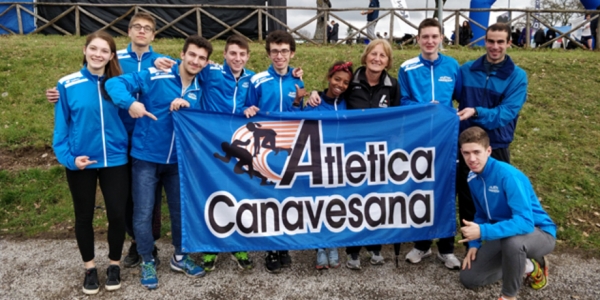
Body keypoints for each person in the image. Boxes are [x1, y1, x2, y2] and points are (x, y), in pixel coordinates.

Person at [45, 12, 167, 269]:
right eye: (137, 27)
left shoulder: (163, 62)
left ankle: (146, 243)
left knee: (147, 198)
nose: (142, 31)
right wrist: (60, 94)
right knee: (125, 202)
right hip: (117, 139)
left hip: (147, 140)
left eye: (148, 28)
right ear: (129, 31)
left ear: (154, 34)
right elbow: (84, 93)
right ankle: (135, 242)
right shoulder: (115, 59)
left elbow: (189, 75)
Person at [106, 35, 213, 289]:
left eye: (202, 58)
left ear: (206, 62)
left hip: (178, 162)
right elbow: (114, 84)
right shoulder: (156, 75)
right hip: (146, 157)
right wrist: (130, 103)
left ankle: (180, 256)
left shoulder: (200, 87)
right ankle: (147, 259)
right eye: (192, 55)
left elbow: (204, 119)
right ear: (183, 54)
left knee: (180, 212)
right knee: (143, 213)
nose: (196, 61)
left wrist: (188, 106)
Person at [307, 39, 399, 269]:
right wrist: (310, 93)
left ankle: (374, 245)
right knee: (352, 199)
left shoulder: (393, 85)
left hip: (379, 153)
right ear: (365, 56)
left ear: (388, 61)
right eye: (373, 53)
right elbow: (331, 97)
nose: (377, 58)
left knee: (375, 198)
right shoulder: (352, 82)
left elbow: (399, 115)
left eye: (383, 55)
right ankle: (352, 250)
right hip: (350, 153)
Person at [53, 30, 129, 295]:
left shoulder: (118, 83)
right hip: (81, 162)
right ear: (85, 50)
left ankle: (114, 265)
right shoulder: (66, 84)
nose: (98, 54)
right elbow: (61, 130)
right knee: (83, 216)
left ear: (111, 56)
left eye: (104, 51)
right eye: (94, 49)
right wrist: (70, 160)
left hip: (116, 160)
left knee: (118, 215)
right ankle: (89, 268)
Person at [457, 126, 556, 300]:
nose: (471, 159)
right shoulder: (472, 178)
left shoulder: (508, 176)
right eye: (466, 153)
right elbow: (480, 214)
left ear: (488, 151)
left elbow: (525, 222)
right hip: (505, 234)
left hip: (538, 232)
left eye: (476, 152)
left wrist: (483, 231)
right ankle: (526, 265)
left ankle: (509, 295)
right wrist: (475, 244)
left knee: (514, 243)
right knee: (470, 279)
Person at [397, 18, 462, 270]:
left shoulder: (453, 66)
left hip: (447, 140)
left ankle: (447, 249)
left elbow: (460, 99)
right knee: (421, 191)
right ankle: (421, 245)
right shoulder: (407, 68)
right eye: (425, 36)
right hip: (419, 139)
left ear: (441, 38)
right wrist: (425, 109)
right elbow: (401, 101)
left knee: (447, 192)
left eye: (434, 36)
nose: (430, 41)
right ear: (418, 38)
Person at [456, 22, 528, 241]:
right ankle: (472, 250)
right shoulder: (466, 69)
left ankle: (499, 250)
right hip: (466, 147)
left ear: (508, 43)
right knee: (468, 200)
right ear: (484, 41)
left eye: (500, 42)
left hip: (495, 147)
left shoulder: (517, 76)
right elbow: (447, 96)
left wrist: (476, 112)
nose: (495, 46)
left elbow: (506, 113)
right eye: (491, 41)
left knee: (499, 202)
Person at [242, 30, 306, 273]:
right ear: (268, 53)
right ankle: (271, 247)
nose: (280, 56)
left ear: (292, 53)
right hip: (264, 149)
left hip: (288, 148)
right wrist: (248, 110)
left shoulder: (297, 81)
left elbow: (297, 109)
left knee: (286, 197)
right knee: (267, 197)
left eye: (285, 51)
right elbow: (248, 108)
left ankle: (283, 245)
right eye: (275, 52)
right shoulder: (258, 80)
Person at [304, 61, 353, 269]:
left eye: (345, 82)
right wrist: (308, 96)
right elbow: (298, 123)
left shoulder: (347, 102)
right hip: (317, 162)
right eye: (336, 79)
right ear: (328, 78)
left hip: (340, 162)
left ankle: (332, 244)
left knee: (335, 204)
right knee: (318, 205)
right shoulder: (315, 102)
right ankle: (319, 246)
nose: (340, 85)